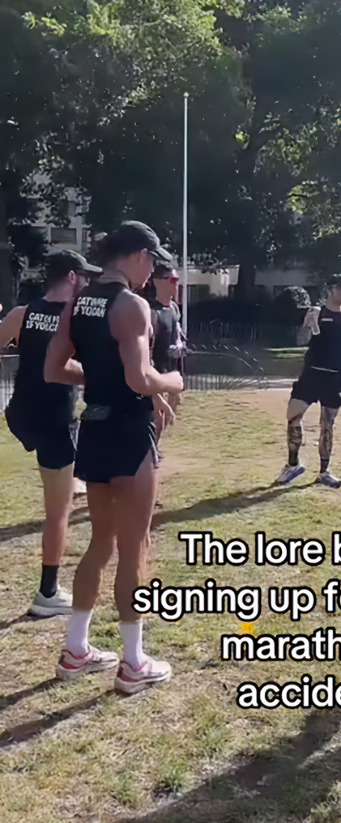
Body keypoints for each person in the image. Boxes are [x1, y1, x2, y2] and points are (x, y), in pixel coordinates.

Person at [45, 221, 184, 694]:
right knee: (134, 548)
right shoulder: (132, 304)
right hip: (128, 431)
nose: (154, 271)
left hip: (94, 430)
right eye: (153, 260)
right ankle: (132, 663)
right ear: (140, 255)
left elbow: (55, 367)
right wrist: (174, 382)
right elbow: (143, 379)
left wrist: (105, 376)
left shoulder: (80, 302)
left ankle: (76, 651)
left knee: (99, 545)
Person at [0, 250, 102, 616]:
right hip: (57, 424)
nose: (88, 284)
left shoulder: (21, 314)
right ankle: (47, 593)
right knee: (59, 511)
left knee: (62, 491)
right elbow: (87, 367)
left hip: (21, 417)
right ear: (73, 278)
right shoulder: (77, 319)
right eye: (86, 277)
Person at [276, 275, 341, 489]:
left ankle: (325, 472)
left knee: (327, 425)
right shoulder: (316, 312)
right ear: (330, 290)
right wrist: (308, 326)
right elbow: (301, 341)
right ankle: (293, 465)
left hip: (334, 377)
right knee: (293, 417)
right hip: (311, 374)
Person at [147, 263, 186, 377]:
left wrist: (179, 344)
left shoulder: (173, 307)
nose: (176, 284)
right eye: (173, 280)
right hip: (157, 374)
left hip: (174, 372)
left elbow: (176, 331)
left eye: (177, 280)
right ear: (158, 282)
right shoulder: (150, 310)